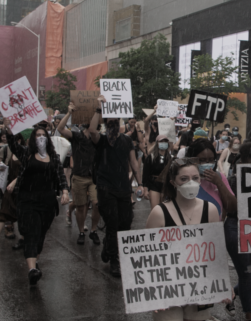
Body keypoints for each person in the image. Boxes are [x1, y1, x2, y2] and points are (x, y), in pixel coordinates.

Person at [146, 158, 225, 321]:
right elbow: (148, 257)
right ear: (173, 182)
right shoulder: (159, 213)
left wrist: (224, 284)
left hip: (199, 287)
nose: (191, 183)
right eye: (184, 179)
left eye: (195, 178)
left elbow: (215, 251)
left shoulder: (210, 210)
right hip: (167, 289)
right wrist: (153, 293)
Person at [3, 118, 69, 285]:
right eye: (37, 135)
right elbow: (12, 144)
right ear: (33, 139)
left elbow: (60, 175)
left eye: (43, 135)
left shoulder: (53, 156)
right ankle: (32, 269)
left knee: (40, 234)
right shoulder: (26, 153)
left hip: (47, 202)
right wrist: (9, 129)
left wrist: (65, 191)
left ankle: (34, 261)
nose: (41, 138)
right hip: (28, 200)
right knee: (32, 232)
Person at [89, 95, 145, 277]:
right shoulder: (102, 140)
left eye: (115, 121)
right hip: (106, 189)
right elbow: (91, 131)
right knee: (113, 224)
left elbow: (134, 163)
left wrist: (140, 184)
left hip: (123, 188)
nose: (112, 124)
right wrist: (99, 109)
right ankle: (115, 260)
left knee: (125, 223)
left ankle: (109, 246)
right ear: (105, 123)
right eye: (109, 122)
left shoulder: (127, 140)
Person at [224, 142, 251, 321]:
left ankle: (231, 293)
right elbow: (231, 208)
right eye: (248, 165)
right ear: (241, 163)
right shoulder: (232, 180)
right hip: (236, 226)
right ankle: (249, 316)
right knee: (247, 274)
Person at [57, 102, 101, 246]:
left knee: (97, 204)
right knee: (81, 206)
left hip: (94, 178)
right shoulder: (76, 136)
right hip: (79, 176)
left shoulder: (97, 138)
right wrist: (69, 112)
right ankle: (82, 231)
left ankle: (93, 230)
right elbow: (60, 128)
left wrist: (99, 108)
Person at [184, 138, 237, 217]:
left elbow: (232, 207)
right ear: (192, 159)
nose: (207, 163)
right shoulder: (183, 179)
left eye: (211, 160)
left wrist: (219, 183)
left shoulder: (219, 177)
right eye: (202, 160)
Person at [143, 134, 172, 209]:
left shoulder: (170, 158)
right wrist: (145, 189)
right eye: (161, 141)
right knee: (155, 209)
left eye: (165, 141)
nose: (163, 143)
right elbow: (145, 174)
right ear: (157, 143)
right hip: (154, 184)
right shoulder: (151, 157)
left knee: (165, 209)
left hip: (166, 185)